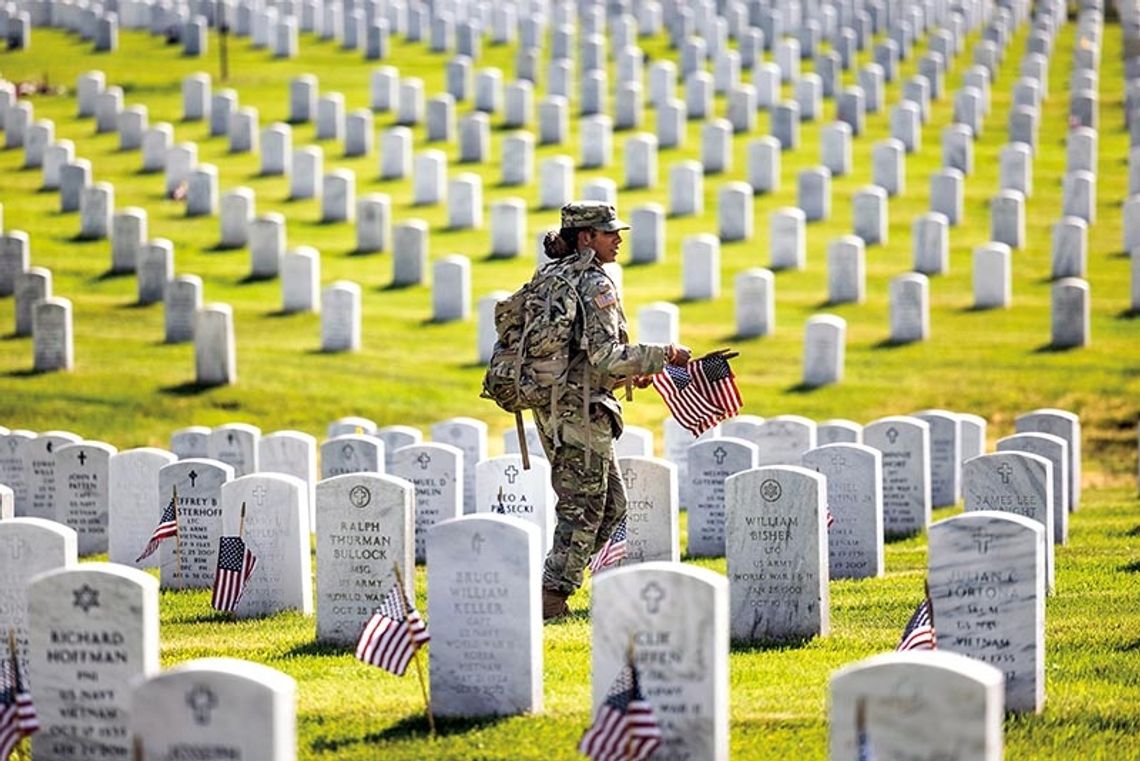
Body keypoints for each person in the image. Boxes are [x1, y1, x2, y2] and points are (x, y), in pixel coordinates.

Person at [536, 201, 692, 620]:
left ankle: (557, 584)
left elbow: (579, 356)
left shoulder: (550, 275)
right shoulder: (592, 283)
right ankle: (551, 599)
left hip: (562, 406)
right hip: (578, 412)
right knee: (584, 506)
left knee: (612, 505)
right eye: (609, 233)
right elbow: (605, 355)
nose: (618, 239)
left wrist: (628, 375)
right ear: (586, 238)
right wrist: (666, 355)